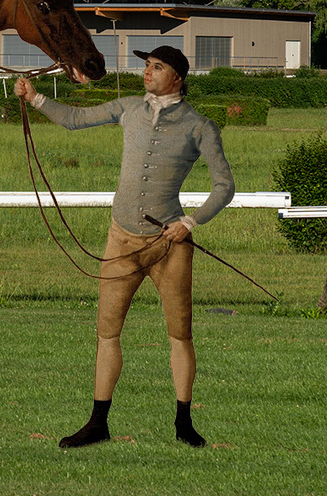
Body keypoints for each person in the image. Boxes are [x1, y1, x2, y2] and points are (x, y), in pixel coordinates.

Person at [14, 45, 233, 449]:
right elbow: (76, 119)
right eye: (147, 66)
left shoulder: (199, 126)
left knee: (179, 334)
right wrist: (35, 97)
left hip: (169, 244)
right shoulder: (129, 107)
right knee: (106, 333)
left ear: (178, 79)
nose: (147, 72)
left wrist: (190, 222)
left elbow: (225, 186)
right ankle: (98, 423)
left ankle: (184, 422)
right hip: (121, 238)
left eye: (157, 67)